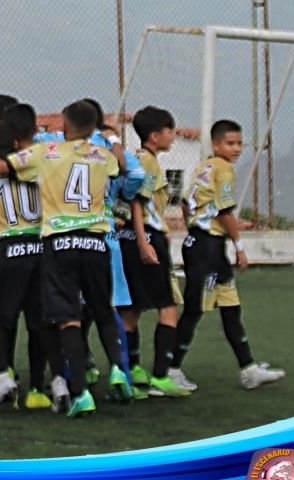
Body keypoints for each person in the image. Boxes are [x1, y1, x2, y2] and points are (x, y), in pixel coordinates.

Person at [0, 101, 133, 417]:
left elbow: (4, 167)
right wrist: (114, 139)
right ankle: (116, 369)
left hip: (56, 243)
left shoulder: (45, 152)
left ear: (63, 123)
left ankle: (78, 393)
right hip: (94, 241)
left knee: (64, 317)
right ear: (94, 127)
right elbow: (121, 166)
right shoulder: (101, 154)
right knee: (102, 310)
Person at [173, 119, 285, 389]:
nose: (236, 149)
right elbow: (225, 212)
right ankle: (170, 371)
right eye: (230, 143)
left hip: (206, 245)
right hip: (207, 249)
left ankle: (249, 370)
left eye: (239, 144)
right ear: (216, 144)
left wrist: (194, 228)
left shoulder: (205, 166)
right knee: (194, 310)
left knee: (231, 308)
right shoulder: (223, 170)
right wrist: (239, 246)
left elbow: (186, 204)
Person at [0, 110, 69, 414]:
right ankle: (57, 380)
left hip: (7, 248)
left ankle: (2, 376)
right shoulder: (37, 165)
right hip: (39, 247)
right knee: (42, 321)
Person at [117, 106, 190, 397]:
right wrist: (144, 241)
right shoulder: (147, 162)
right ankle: (161, 376)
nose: (174, 136)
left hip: (131, 236)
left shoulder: (136, 158)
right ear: (155, 135)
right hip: (144, 237)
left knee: (131, 309)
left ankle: (127, 373)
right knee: (168, 306)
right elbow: (138, 201)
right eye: (171, 131)